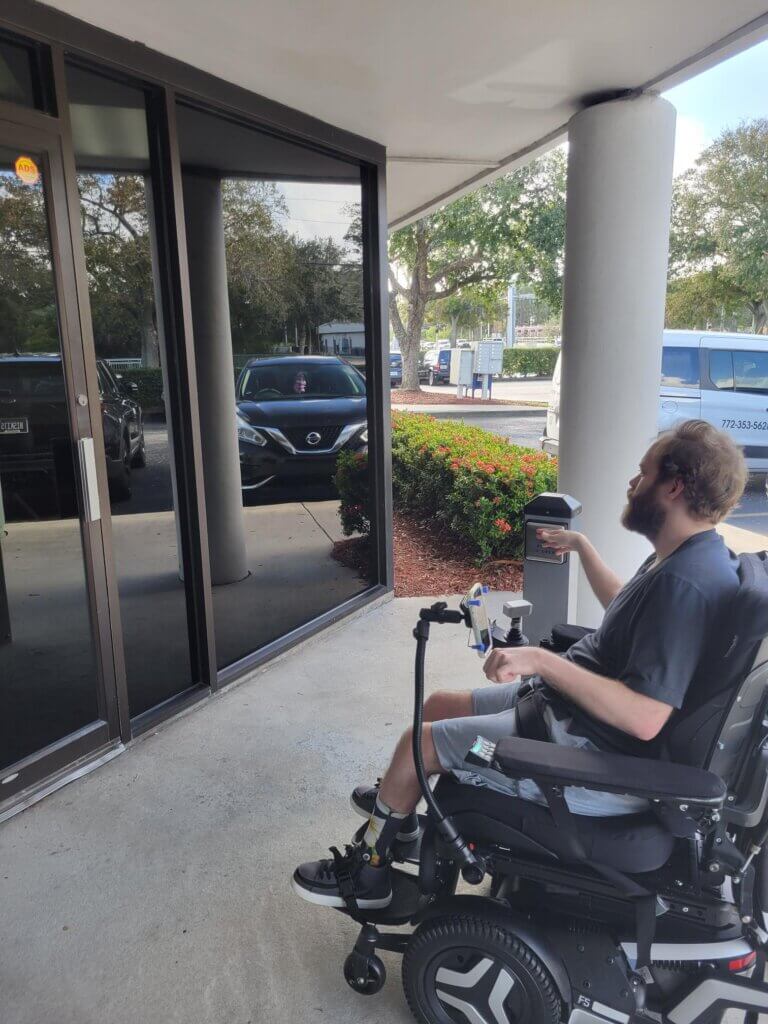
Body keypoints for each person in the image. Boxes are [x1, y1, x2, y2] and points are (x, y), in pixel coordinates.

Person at [292, 420, 747, 909]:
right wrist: (583, 549)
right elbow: (627, 612)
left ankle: (370, 876)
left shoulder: (685, 585)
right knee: (439, 706)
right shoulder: (685, 558)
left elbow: (645, 717)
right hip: (564, 717)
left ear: (674, 486)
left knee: (416, 743)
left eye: (643, 473)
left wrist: (540, 662)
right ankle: (397, 819)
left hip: (578, 759)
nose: (632, 483)